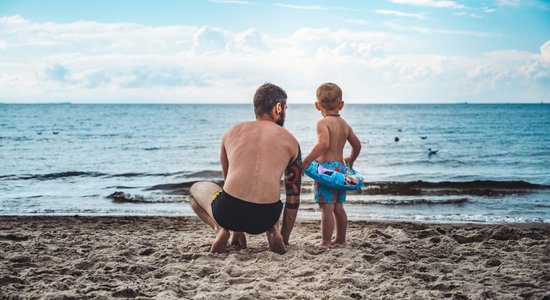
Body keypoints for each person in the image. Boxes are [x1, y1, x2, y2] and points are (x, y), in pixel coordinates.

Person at [189, 83, 302, 254]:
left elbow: (229, 183)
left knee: (195, 189)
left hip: (229, 212)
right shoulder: (291, 141)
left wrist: (236, 228)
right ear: (278, 108)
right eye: (285, 108)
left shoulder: (231, 132)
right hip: (266, 217)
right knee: (273, 194)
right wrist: (284, 238)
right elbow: (293, 198)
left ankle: (221, 229)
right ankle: (274, 232)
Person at [302, 82, 362, 247]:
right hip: (340, 171)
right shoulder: (345, 125)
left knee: (326, 207)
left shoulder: (323, 123)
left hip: (326, 171)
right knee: (338, 207)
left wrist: (306, 161)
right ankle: (341, 239)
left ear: (317, 105)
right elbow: (357, 146)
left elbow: (323, 144)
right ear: (341, 104)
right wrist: (350, 159)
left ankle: (326, 241)